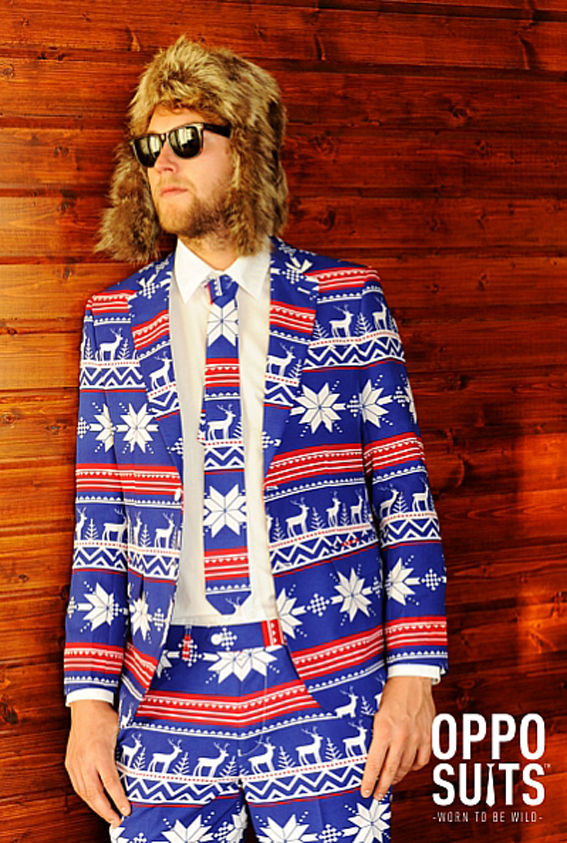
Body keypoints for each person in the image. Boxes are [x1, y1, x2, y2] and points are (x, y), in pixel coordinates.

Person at [64, 36, 448, 843]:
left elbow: (404, 502)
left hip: (326, 681)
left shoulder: (346, 298)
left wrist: (414, 677)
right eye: (149, 146)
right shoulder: (113, 319)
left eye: (187, 138)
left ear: (247, 150)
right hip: (164, 692)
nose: (163, 162)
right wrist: (88, 702)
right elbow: (100, 525)